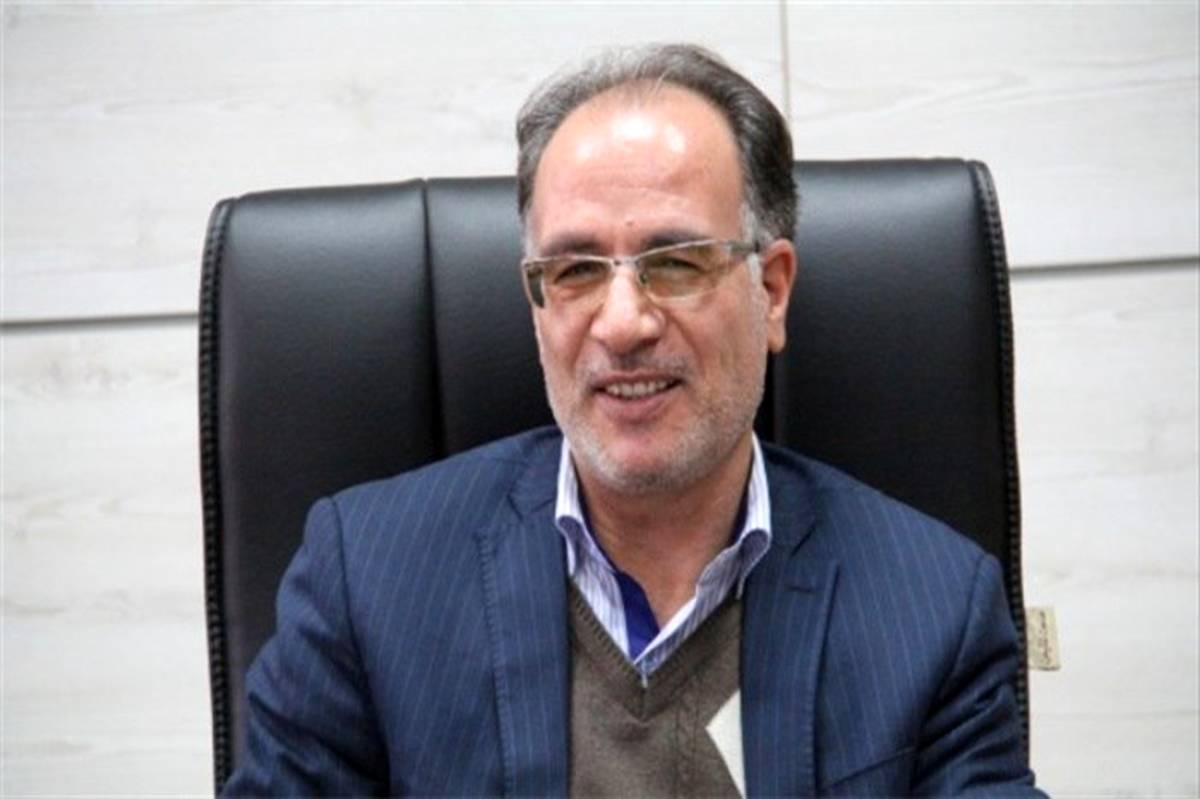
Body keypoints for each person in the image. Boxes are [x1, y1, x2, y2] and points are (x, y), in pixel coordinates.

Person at [224, 44, 1044, 796]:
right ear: (537, 304)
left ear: (772, 291)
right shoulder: (366, 578)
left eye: (676, 262)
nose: (622, 324)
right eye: (575, 270)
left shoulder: (935, 608)